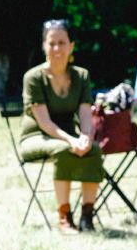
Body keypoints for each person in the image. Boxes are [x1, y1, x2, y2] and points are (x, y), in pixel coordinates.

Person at [18, 19, 104, 233]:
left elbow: (85, 114)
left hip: (69, 135)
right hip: (37, 136)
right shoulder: (33, 78)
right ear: (44, 45)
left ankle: (87, 216)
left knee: (93, 149)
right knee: (64, 149)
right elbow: (44, 122)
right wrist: (71, 140)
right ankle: (64, 216)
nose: (57, 48)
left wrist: (86, 137)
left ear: (71, 46)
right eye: (52, 43)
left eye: (62, 43)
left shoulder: (81, 76)